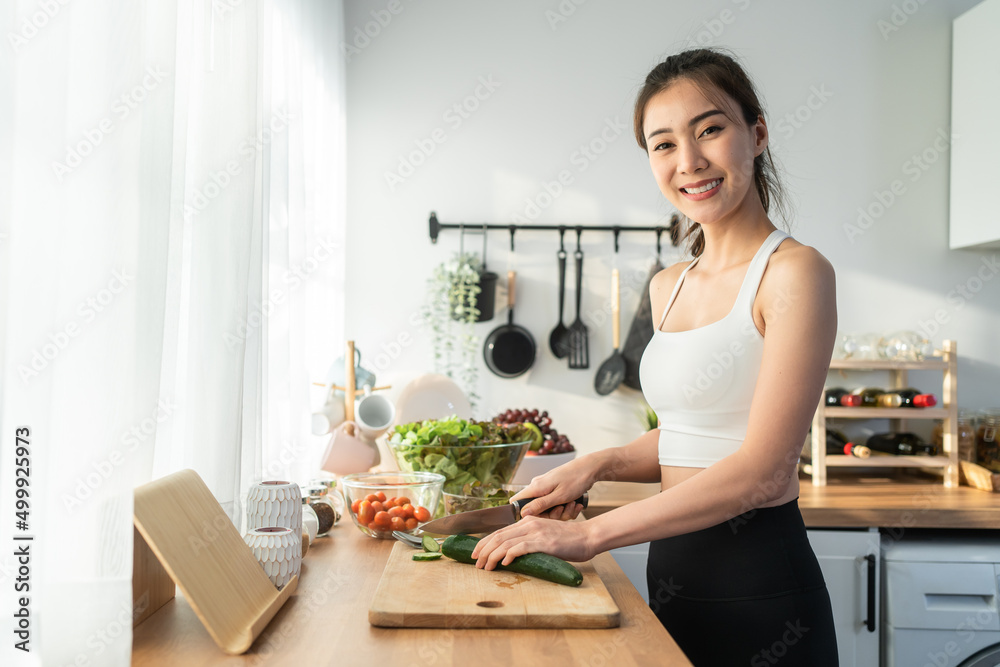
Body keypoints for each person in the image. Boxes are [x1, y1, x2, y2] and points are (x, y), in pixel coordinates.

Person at [472, 48, 839, 665]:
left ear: (757, 134)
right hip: (672, 584)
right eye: (663, 144)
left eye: (710, 130)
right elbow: (690, 437)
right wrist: (600, 462)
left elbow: (765, 471)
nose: (689, 162)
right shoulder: (669, 284)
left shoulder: (794, 272)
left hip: (763, 597)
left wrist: (588, 534)